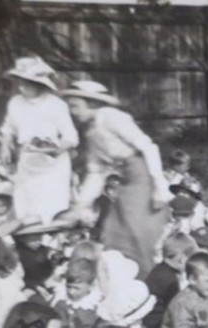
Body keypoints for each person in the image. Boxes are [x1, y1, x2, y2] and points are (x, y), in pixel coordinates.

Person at [62, 81, 171, 276]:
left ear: (92, 103)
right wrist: (80, 206)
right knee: (113, 231)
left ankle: (152, 280)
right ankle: (125, 280)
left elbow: (149, 147)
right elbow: (95, 172)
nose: (73, 112)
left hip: (142, 175)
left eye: (75, 106)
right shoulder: (90, 131)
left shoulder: (112, 118)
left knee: (140, 233)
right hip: (124, 181)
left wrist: (159, 185)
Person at [0, 57, 78, 224]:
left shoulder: (55, 105)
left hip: (52, 167)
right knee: (25, 208)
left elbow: (70, 137)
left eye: (27, 83)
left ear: (39, 84)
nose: (21, 87)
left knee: (49, 210)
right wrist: (5, 145)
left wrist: (56, 150)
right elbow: (8, 128)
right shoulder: (15, 103)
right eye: (19, 82)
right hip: (27, 163)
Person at [51, 258, 102, 328]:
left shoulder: (96, 304)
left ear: (91, 286)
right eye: (68, 287)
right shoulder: (62, 304)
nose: (71, 292)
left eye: (77, 288)